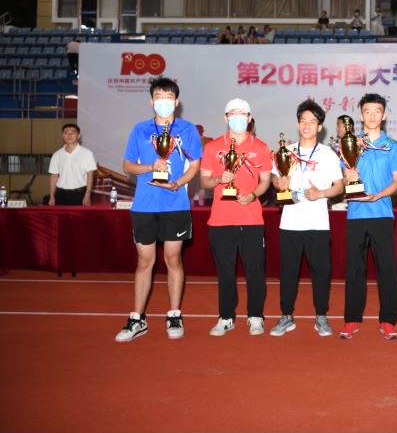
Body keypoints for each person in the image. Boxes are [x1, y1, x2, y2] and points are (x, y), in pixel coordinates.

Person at [114, 77, 202, 342]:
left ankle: (174, 314)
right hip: (144, 205)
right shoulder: (140, 129)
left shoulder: (187, 130)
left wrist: (178, 183)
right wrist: (151, 167)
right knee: (144, 262)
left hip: (175, 204)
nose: (164, 101)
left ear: (176, 102)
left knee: (173, 260)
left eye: (168, 97)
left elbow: (195, 166)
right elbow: (127, 165)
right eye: (159, 97)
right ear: (152, 101)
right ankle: (137, 318)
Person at [269, 99, 344, 338]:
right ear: (298, 124)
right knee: (288, 271)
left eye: (312, 121)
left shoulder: (328, 154)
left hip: (317, 223)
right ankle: (286, 316)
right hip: (290, 221)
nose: (307, 125)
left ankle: (321, 316)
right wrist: (278, 183)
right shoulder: (286, 151)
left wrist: (321, 193)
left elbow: (339, 186)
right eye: (303, 121)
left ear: (320, 127)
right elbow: (274, 178)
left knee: (321, 271)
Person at [200, 98, 271, 337]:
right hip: (221, 219)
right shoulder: (213, 147)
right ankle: (226, 316)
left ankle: (255, 316)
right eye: (233, 114)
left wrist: (253, 195)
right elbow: (204, 181)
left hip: (251, 219)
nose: (238, 118)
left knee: (255, 272)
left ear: (250, 118)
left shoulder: (261, 147)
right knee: (225, 273)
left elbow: (265, 181)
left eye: (242, 114)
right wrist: (218, 179)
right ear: (226, 118)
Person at [339, 94, 397, 340]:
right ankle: (352, 319)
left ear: (384, 115)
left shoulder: (393, 146)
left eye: (377, 111)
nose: (372, 115)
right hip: (356, 213)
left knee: (387, 269)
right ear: (361, 115)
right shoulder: (350, 143)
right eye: (367, 111)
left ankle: (388, 320)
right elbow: (344, 178)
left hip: (382, 213)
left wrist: (378, 196)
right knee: (354, 269)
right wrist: (348, 176)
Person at [48, 123, 97, 206]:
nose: (69, 135)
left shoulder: (87, 153)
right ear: (62, 136)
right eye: (66, 132)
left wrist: (88, 195)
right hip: (60, 195)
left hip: (80, 194)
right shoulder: (57, 155)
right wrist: (52, 196)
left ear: (78, 136)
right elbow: (54, 176)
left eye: (73, 132)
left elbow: (90, 175)